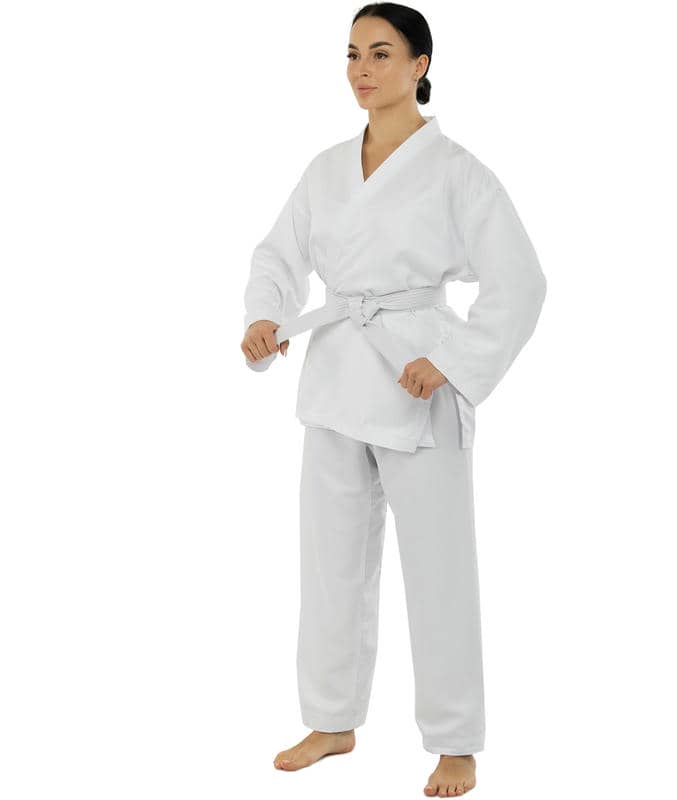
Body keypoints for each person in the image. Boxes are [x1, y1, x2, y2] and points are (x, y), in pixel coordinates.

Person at [240, 3, 547, 796]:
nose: (361, 70)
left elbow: (520, 282)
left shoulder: (458, 172)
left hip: (417, 379)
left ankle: (455, 740)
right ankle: (332, 719)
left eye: (380, 53)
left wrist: (450, 361)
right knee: (330, 564)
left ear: (419, 65)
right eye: (351, 54)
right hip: (337, 376)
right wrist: (266, 316)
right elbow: (277, 255)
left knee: (439, 569)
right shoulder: (324, 169)